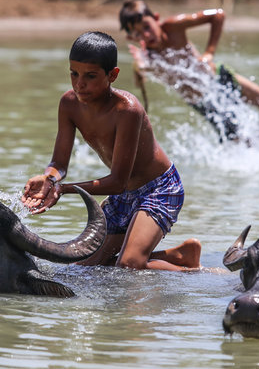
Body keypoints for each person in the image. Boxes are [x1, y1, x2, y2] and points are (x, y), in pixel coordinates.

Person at [21, 31, 201, 271]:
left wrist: (62, 189)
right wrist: (49, 178)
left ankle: (195, 272)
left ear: (112, 75)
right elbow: (60, 162)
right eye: (74, 74)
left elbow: (117, 182)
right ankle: (180, 255)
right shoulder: (68, 104)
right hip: (124, 194)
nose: (79, 83)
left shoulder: (127, 110)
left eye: (90, 76)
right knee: (86, 267)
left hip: (159, 189)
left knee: (128, 265)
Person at [118, 0, 259, 155]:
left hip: (219, 77)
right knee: (245, 143)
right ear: (131, 37)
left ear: (156, 18)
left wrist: (209, 51)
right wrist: (141, 66)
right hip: (204, 103)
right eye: (138, 34)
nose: (146, 35)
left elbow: (218, 15)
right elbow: (142, 78)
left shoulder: (174, 26)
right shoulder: (147, 57)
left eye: (147, 27)